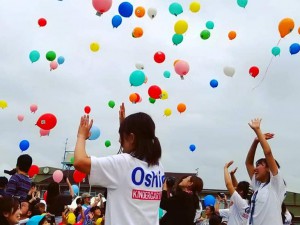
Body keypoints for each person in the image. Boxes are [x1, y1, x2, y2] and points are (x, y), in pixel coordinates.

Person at [74, 103, 164, 225]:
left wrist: (81, 136)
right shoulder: (158, 167)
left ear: (132, 138)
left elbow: (79, 162)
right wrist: (124, 127)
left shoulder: (123, 164)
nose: (119, 141)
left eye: (122, 137)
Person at [245, 118, 286, 225]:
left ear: (268, 169)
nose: (255, 168)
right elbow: (248, 163)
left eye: (259, 165)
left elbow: (268, 153)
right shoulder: (258, 186)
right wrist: (255, 141)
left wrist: (258, 130)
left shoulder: (275, 185)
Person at [218, 161, 251, 225]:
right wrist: (232, 175)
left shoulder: (241, 202)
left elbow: (228, 185)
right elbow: (237, 187)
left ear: (241, 191)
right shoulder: (244, 203)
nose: (234, 188)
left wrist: (225, 168)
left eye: (236, 188)